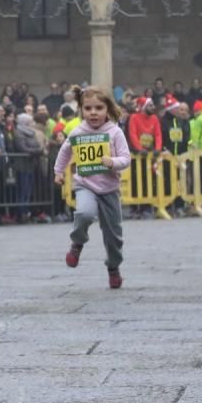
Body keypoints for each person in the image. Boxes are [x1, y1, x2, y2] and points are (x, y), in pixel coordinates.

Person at [53, 85, 131, 289]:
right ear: (81, 110)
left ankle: (113, 268)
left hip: (109, 189)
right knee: (84, 214)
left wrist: (113, 162)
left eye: (98, 108)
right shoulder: (77, 132)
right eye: (88, 108)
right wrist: (58, 172)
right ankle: (77, 243)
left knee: (113, 236)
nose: (93, 112)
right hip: (85, 185)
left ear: (107, 109)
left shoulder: (115, 132)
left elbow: (126, 158)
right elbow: (64, 152)